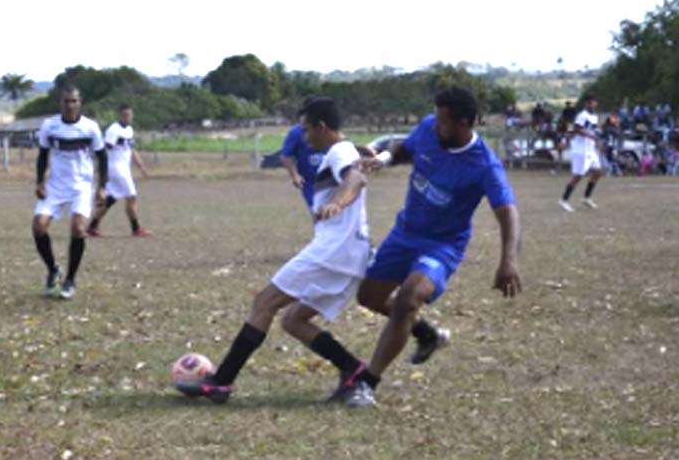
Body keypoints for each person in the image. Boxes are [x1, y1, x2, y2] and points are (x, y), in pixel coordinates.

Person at [176, 97, 372, 404]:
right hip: (350, 254)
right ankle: (352, 369)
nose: (305, 139)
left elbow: (355, 178)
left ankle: (222, 382)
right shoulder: (342, 150)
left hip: (332, 251)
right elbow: (352, 165)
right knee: (293, 321)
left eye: (307, 131)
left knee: (264, 302)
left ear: (322, 127)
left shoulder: (340, 151)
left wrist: (338, 202)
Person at [343, 87, 522, 408]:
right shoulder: (429, 128)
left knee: (409, 298)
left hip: (442, 246)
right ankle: (426, 335)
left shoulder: (484, 166)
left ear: (464, 124)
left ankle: (367, 384)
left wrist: (508, 261)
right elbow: (406, 150)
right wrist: (382, 159)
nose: (435, 124)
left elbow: (508, 212)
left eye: (443, 121)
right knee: (369, 297)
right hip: (404, 233)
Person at [33, 84, 107, 299]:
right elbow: (42, 155)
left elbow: (102, 158)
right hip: (56, 185)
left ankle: (70, 279)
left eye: (74, 101)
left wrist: (102, 187)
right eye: (66, 101)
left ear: (80, 102)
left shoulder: (90, 128)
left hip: (81, 186)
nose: (70, 105)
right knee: (39, 227)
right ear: (61, 103)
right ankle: (53, 268)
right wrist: (39, 181)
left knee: (78, 228)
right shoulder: (49, 126)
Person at [86, 104, 151, 237]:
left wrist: (141, 166)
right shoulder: (113, 130)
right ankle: (136, 228)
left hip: (123, 169)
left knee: (111, 199)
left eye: (130, 115)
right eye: (126, 115)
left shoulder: (129, 130)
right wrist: (101, 170)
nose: (128, 118)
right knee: (131, 196)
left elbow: (131, 150)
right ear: (120, 115)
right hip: (115, 169)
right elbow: (104, 151)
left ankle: (92, 226)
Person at [559, 94, 603, 211]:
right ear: (587, 104)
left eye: (595, 102)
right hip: (581, 150)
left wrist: (597, 138)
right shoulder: (582, 115)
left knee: (598, 172)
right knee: (578, 176)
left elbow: (594, 129)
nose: (594, 104)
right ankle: (564, 200)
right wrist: (591, 137)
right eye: (591, 102)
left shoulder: (594, 116)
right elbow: (577, 129)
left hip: (590, 149)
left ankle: (586, 198)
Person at [279, 112, 325, 210]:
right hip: (309, 181)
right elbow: (285, 155)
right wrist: (295, 175)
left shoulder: (325, 129)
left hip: (329, 179)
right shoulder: (296, 133)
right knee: (317, 211)